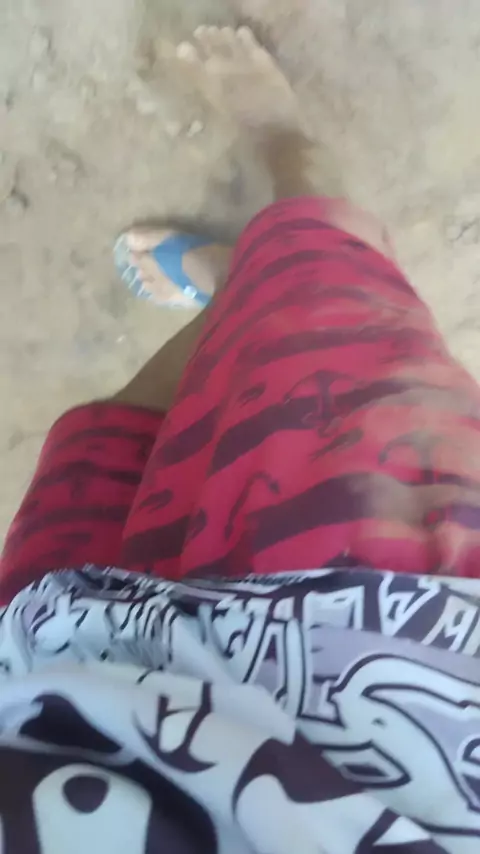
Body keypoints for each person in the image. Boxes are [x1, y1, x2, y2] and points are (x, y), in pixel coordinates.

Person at [0, 25, 478, 854]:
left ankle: (233, 285)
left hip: (49, 679)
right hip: (389, 654)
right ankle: (289, 163)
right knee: (316, 297)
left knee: (116, 438)